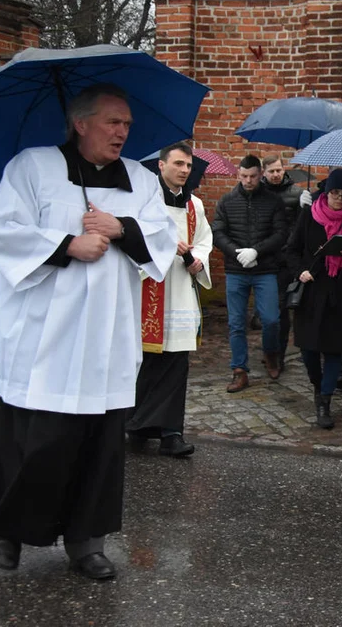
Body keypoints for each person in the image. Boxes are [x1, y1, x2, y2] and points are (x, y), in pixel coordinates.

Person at [0, 83, 177, 579]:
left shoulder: (141, 180)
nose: (123, 132)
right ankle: (8, 528)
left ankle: (87, 543)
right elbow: (1, 231)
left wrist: (119, 227)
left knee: (101, 447)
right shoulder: (32, 167)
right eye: (112, 122)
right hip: (45, 333)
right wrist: (67, 245)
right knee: (35, 442)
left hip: (108, 334)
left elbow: (164, 238)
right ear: (80, 123)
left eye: (126, 123)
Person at [127, 142, 211, 458]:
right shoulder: (145, 204)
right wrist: (163, 247)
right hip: (150, 289)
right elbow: (131, 240)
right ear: (161, 166)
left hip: (181, 294)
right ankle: (136, 426)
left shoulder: (195, 206)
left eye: (188, 166)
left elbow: (204, 240)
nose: (183, 170)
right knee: (145, 365)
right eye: (178, 164)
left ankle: (170, 435)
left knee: (177, 365)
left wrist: (198, 260)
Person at [287, 169, 342, 429]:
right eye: (335, 194)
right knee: (309, 348)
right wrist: (301, 271)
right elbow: (291, 250)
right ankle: (318, 385)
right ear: (326, 193)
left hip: (340, 290)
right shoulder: (309, 215)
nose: (340, 200)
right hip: (312, 289)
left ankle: (325, 400)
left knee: (334, 348)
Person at [212, 155, 288, 392]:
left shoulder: (273, 201)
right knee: (236, 323)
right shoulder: (226, 201)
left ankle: (271, 353)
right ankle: (239, 370)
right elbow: (218, 232)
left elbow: (280, 233)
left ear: (261, 174)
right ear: (238, 175)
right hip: (236, 269)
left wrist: (256, 250)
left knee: (271, 319)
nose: (248, 181)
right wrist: (236, 252)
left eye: (253, 176)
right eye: (244, 176)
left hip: (265, 268)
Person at [261, 154, 303, 369]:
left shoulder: (296, 194)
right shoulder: (258, 193)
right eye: (272, 171)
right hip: (264, 258)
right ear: (264, 173)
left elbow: (300, 227)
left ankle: (279, 353)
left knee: (281, 308)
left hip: (285, 260)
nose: (276, 174)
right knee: (267, 310)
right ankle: (270, 349)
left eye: (279, 170)